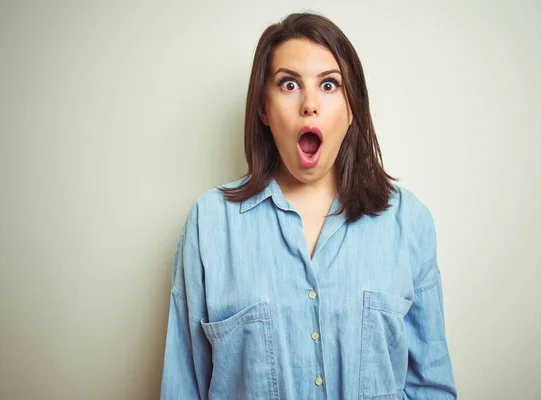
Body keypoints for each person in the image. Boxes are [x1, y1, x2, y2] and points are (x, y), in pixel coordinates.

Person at [160, 11, 457, 400]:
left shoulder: (409, 222)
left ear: (352, 110)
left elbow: (431, 387)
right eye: (288, 84)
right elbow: (183, 386)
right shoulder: (209, 224)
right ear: (263, 109)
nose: (310, 104)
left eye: (330, 85)